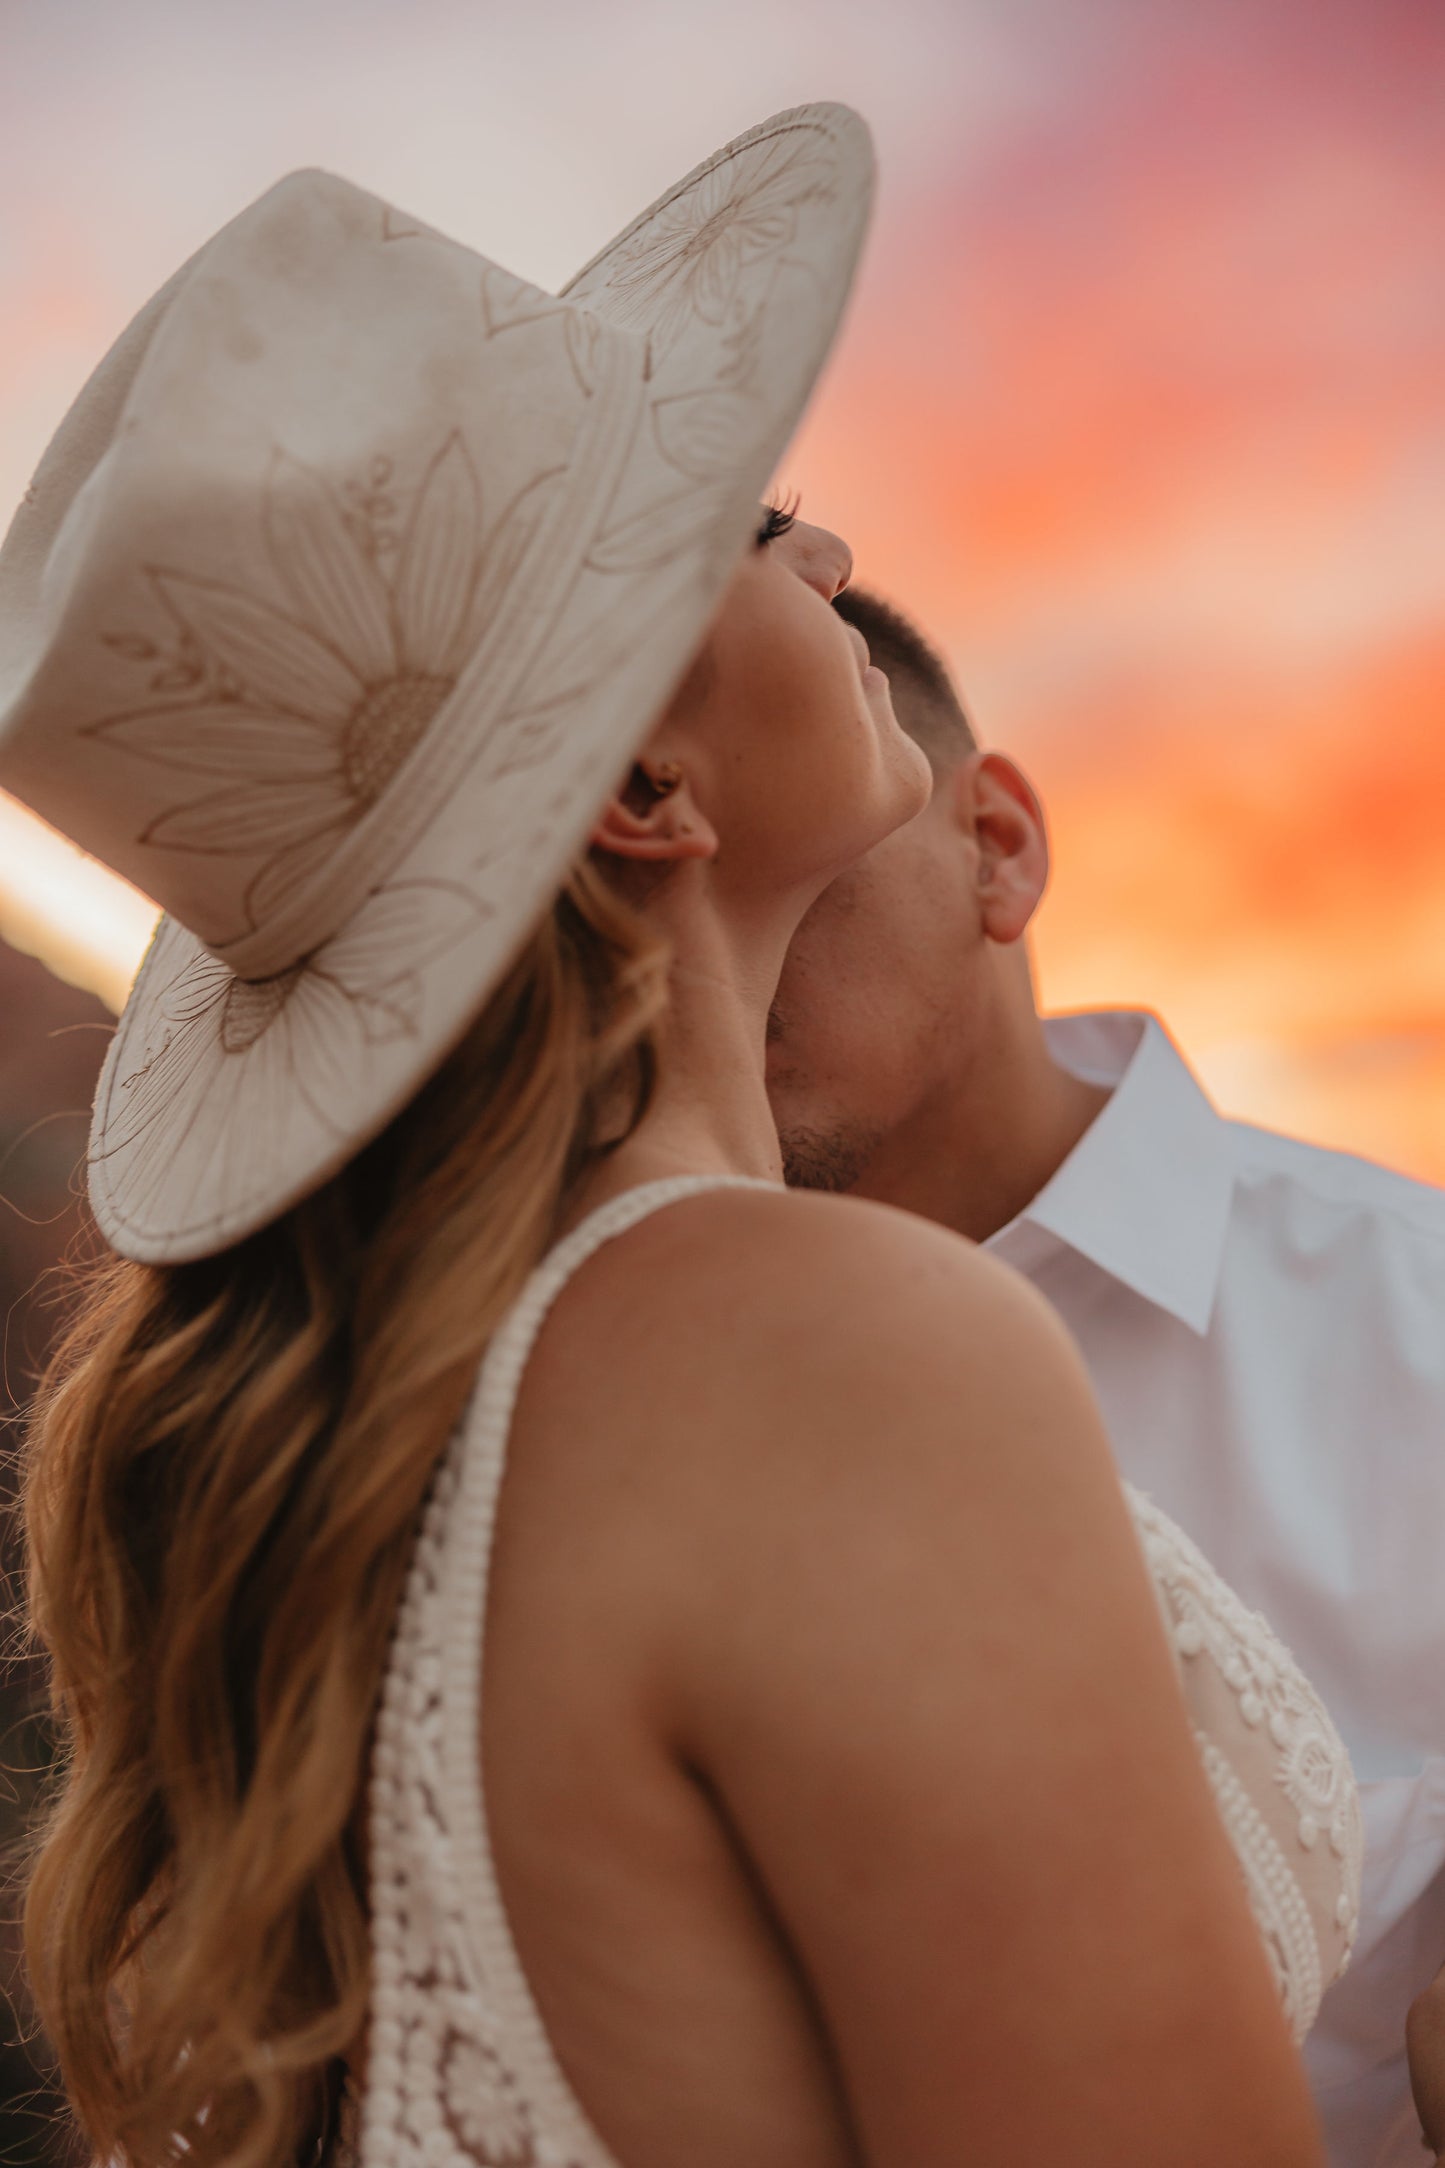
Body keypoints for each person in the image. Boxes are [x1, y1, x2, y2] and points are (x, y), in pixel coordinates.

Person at [3, 111, 1333, 2168]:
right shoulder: (837, 1360)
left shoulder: (413, 1443)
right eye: (740, 526)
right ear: (642, 785)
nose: (823, 557)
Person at [768, 581, 1445, 2168]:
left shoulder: (1416, 1337)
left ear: (993, 847)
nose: (704, 951)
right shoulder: (546, 1407)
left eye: (793, 866)